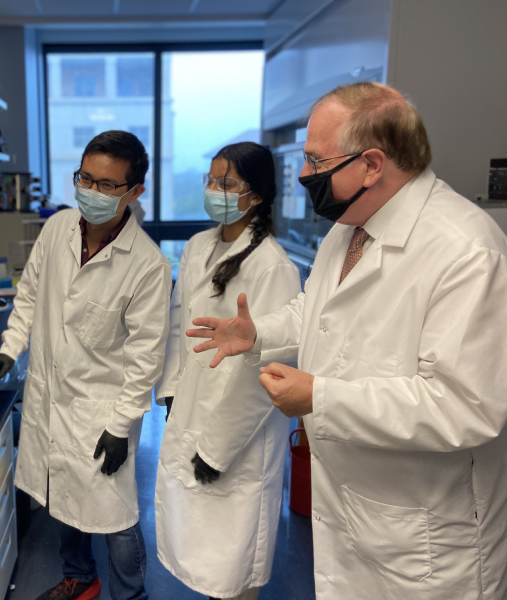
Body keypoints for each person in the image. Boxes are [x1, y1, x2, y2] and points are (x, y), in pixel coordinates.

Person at [186, 82, 507, 600]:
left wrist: (319, 397)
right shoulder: (351, 225)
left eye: (314, 160)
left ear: (372, 165)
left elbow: (466, 405)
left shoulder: (466, 250)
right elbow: (316, 310)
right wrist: (258, 332)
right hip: (351, 511)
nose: (305, 174)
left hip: (424, 539)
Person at [0, 130, 171, 600]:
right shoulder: (58, 228)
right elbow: (30, 295)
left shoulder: (147, 266)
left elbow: (145, 357)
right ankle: (79, 577)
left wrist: (122, 426)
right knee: (61, 496)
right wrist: (8, 348)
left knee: (116, 517)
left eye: (107, 185)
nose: (91, 191)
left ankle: (130, 594)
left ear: (135, 192)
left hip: (101, 411)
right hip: (50, 397)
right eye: (85, 178)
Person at [154, 142, 301, 600]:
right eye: (211, 180)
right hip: (192, 410)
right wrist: (173, 391)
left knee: (233, 564)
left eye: (227, 183)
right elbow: (181, 324)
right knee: (192, 545)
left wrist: (218, 449)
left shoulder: (273, 266)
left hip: (239, 436)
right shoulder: (199, 245)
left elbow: (269, 373)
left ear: (256, 195)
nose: (215, 190)